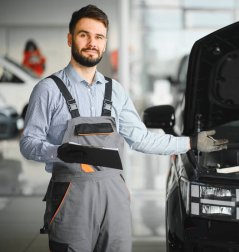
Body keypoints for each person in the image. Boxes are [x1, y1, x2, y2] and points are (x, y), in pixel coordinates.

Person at [19, 4, 227, 252]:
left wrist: (191, 143)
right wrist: (59, 151)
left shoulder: (115, 91)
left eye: (99, 37)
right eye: (84, 34)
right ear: (70, 38)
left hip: (114, 192)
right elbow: (28, 143)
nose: (91, 42)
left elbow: (140, 139)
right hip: (71, 194)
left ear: (105, 43)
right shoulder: (48, 90)